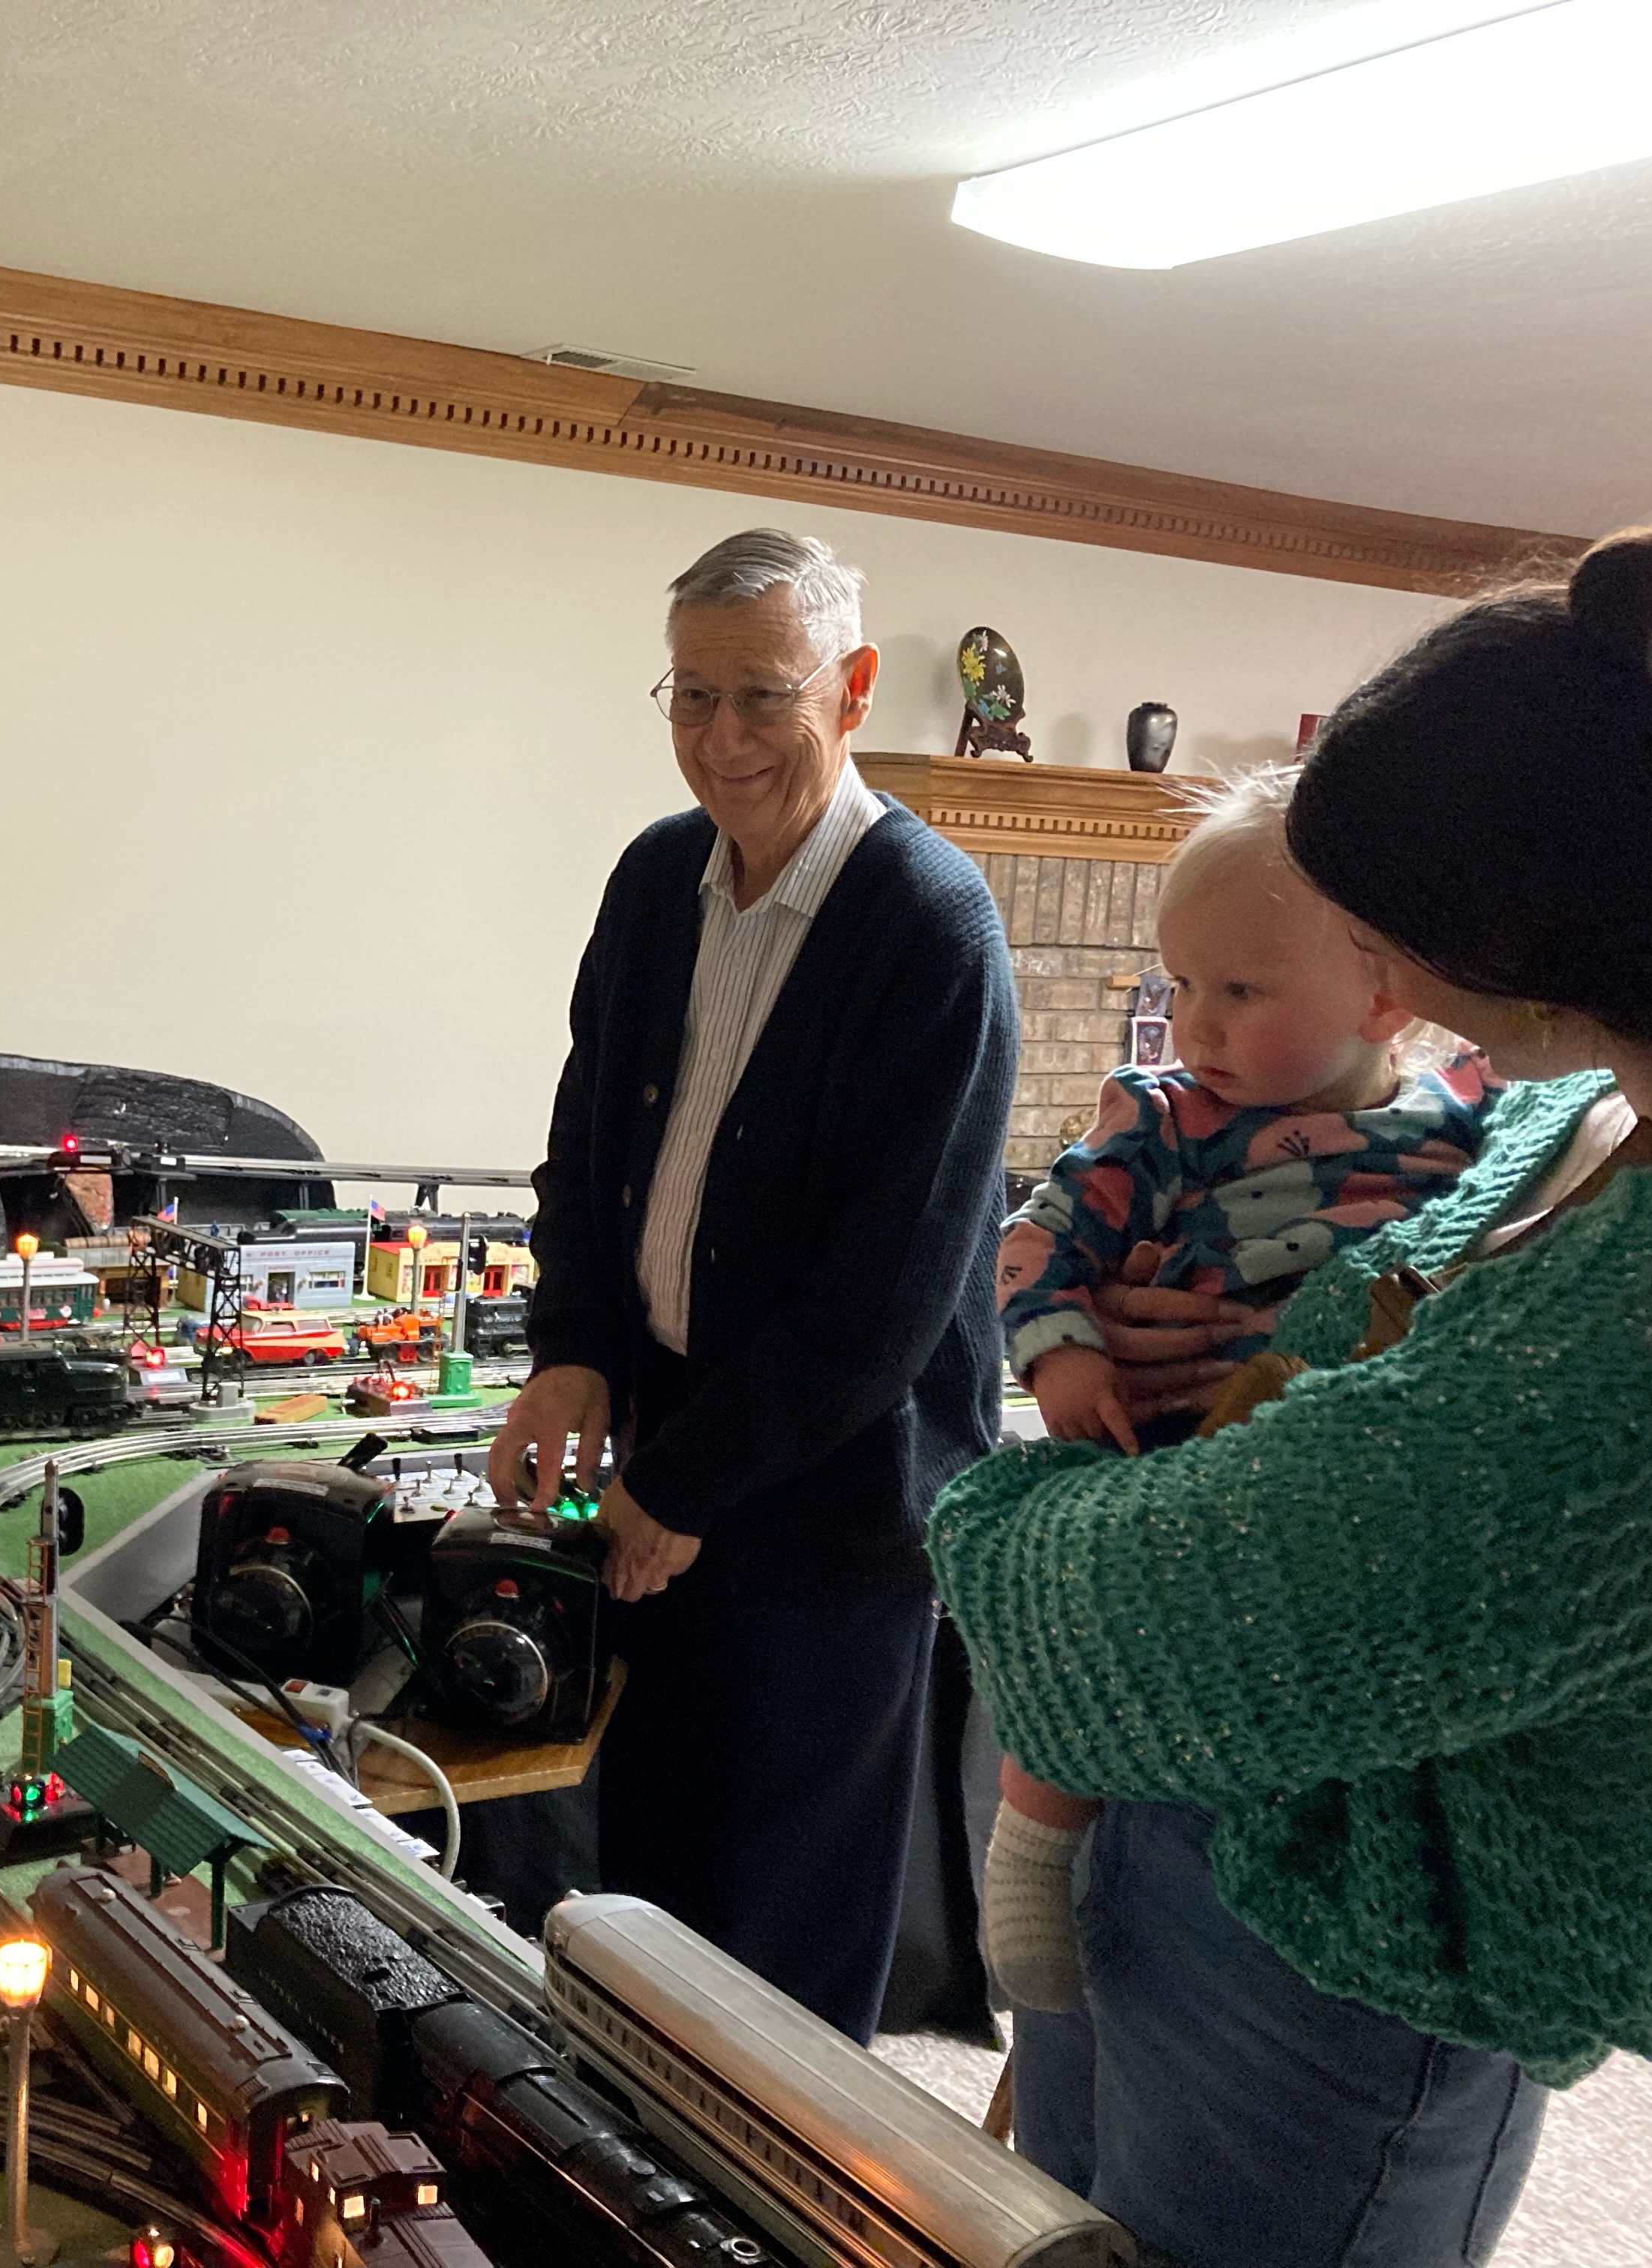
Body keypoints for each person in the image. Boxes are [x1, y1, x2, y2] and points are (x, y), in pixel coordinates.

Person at [928, 528, 1652, 2267]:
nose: (1387, 991)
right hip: (1190, 1830)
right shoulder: (1578, 1106)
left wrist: (1015, 1505)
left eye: (1383, 940)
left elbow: (1180, 1606)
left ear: (1535, 940)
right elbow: (1325, 1392)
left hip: (1344, 1965)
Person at [489, 526, 1017, 2037]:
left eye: (764, 697)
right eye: (693, 696)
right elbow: (591, 1144)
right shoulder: (658, 879)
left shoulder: (929, 922)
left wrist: (684, 1483)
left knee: (787, 1938)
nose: (722, 739)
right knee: (649, 1892)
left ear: (853, 689)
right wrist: (573, 1351)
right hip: (670, 1452)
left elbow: (885, 1297)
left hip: (832, 1505)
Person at [981, 772, 1491, 2013]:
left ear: (1388, 997)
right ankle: (1031, 1843)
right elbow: (1037, 1240)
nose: (1196, 1026)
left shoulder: (1462, 1135)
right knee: (1096, 1627)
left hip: (1331, 1486)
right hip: (1164, 1448)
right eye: (1181, 986)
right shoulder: (1164, 1123)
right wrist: (1065, 1355)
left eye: (1242, 992)